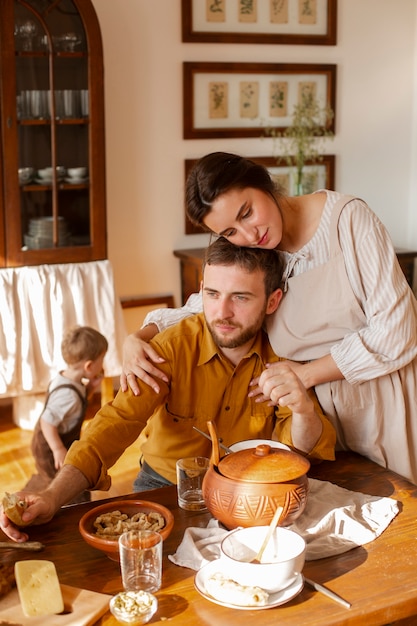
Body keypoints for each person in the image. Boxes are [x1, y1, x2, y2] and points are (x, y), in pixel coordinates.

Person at [1, 238, 335, 541]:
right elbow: (112, 427)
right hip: (163, 485)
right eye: (213, 294)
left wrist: (304, 408)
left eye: (241, 297)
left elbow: (297, 452)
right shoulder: (171, 346)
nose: (222, 313)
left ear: (272, 300)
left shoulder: (287, 352)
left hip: (249, 493)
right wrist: (52, 495)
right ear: (201, 289)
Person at [121, 152, 417, 485]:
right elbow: (207, 305)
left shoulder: (347, 220)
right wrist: (138, 338)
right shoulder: (259, 251)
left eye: (247, 213)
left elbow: (399, 329)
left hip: (378, 404)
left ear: (263, 181)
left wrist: (306, 374)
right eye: (230, 231)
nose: (249, 235)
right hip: (309, 419)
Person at [23, 326, 108, 503]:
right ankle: (63, 508)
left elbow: (73, 406)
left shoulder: (66, 378)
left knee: (52, 477)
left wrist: (91, 387)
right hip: (51, 447)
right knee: (67, 485)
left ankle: (42, 490)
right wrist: (58, 449)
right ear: (89, 366)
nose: (103, 364)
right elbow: (47, 422)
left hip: (56, 441)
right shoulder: (67, 395)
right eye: (102, 359)